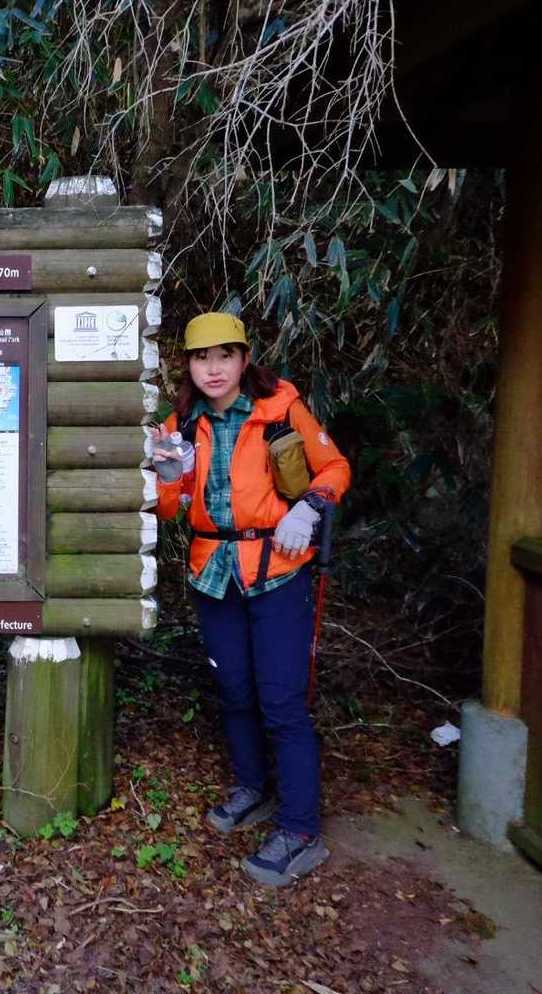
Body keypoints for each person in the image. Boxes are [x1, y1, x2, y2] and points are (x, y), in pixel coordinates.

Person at [150, 312, 350, 887]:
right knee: (234, 690)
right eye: (201, 357)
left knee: (281, 701)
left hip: (278, 567)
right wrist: (169, 473)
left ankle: (300, 830)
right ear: (188, 365)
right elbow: (169, 510)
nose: (213, 368)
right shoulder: (182, 423)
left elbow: (335, 466)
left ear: (244, 359)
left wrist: (309, 507)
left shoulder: (280, 407)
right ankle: (252, 788)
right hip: (213, 571)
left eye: (225, 355)